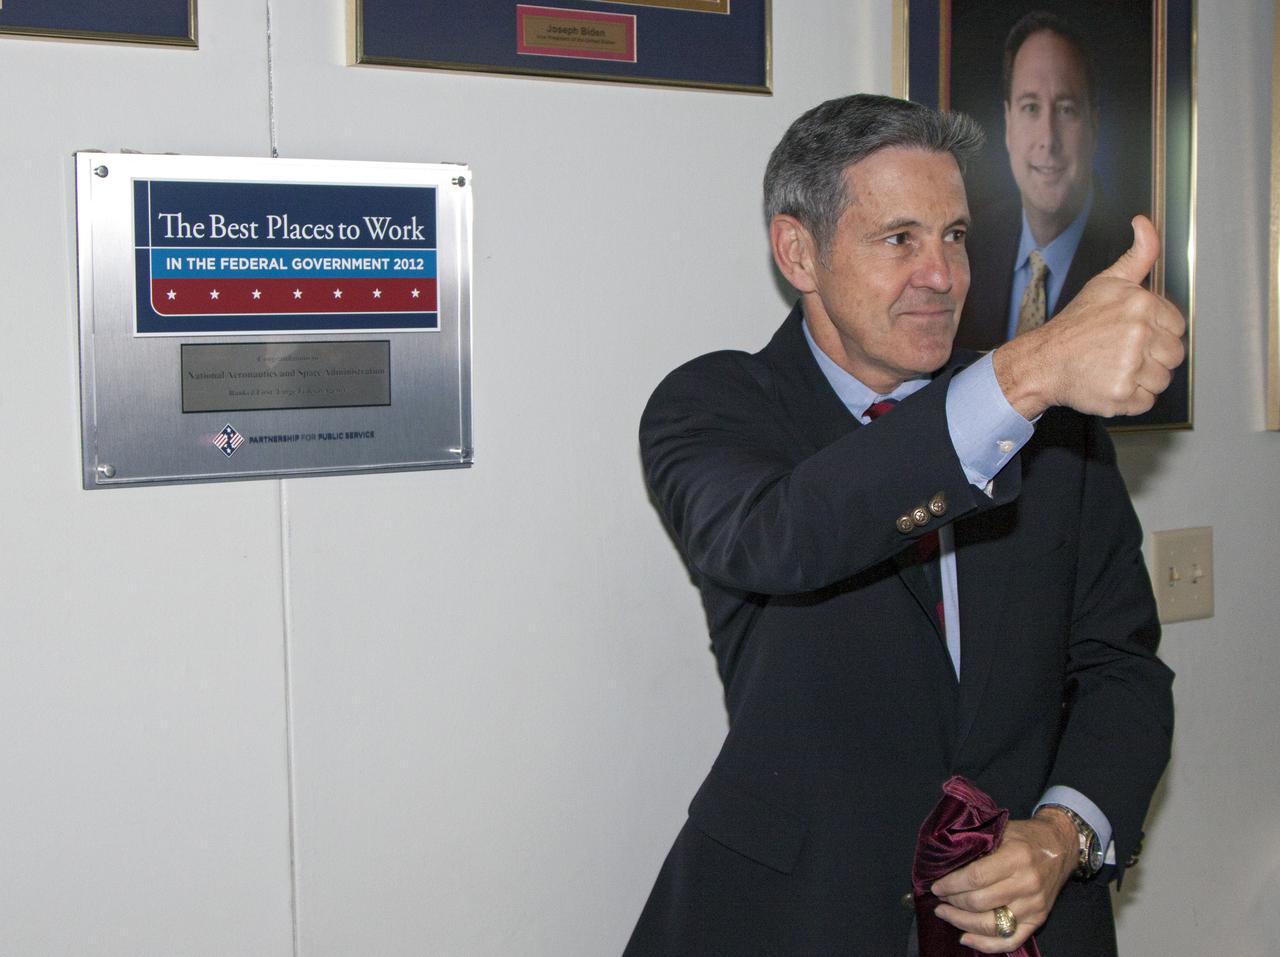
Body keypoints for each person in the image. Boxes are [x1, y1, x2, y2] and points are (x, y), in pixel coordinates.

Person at [625, 93, 1181, 956]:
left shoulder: (1057, 431)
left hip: (1027, 925)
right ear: (797, 251)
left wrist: (1063, 833)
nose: (942, 273)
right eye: (900, 239)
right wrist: (1024, 373)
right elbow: (781, 534)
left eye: (955, 235)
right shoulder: (716, 406)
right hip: (792, 920)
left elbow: (1122, 668)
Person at [956, 11, 1132, 351]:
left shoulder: (1136, 262)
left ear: (1094, 127)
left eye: (1066, 109)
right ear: (1008, 124)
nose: (1047, 139)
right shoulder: (971, 246)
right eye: (1031, 108)